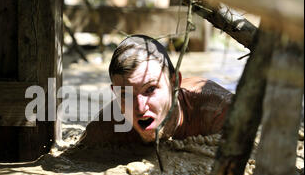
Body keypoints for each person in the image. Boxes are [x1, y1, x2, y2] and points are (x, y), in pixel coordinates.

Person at [77, 34, 233, 147]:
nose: (140, 107)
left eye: (150, 89)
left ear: (175, 82)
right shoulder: (105, 127)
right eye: (126, 94)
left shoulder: (219, 112)